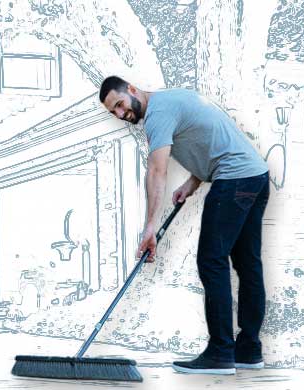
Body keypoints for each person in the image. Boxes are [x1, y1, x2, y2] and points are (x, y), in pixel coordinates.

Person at [98, 76, 270, 375]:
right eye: (114, 113)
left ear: (132, 89)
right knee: (247, 263)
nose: (121, 115)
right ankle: (249, 350)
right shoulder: (173, 100)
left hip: (233, 180)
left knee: (211, 260)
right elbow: (212, 141)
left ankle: (220, 353)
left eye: (120, 105)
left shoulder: (157, 114)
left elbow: (157, 170)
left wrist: (150, 226)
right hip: (255, 177)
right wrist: (193, 182)